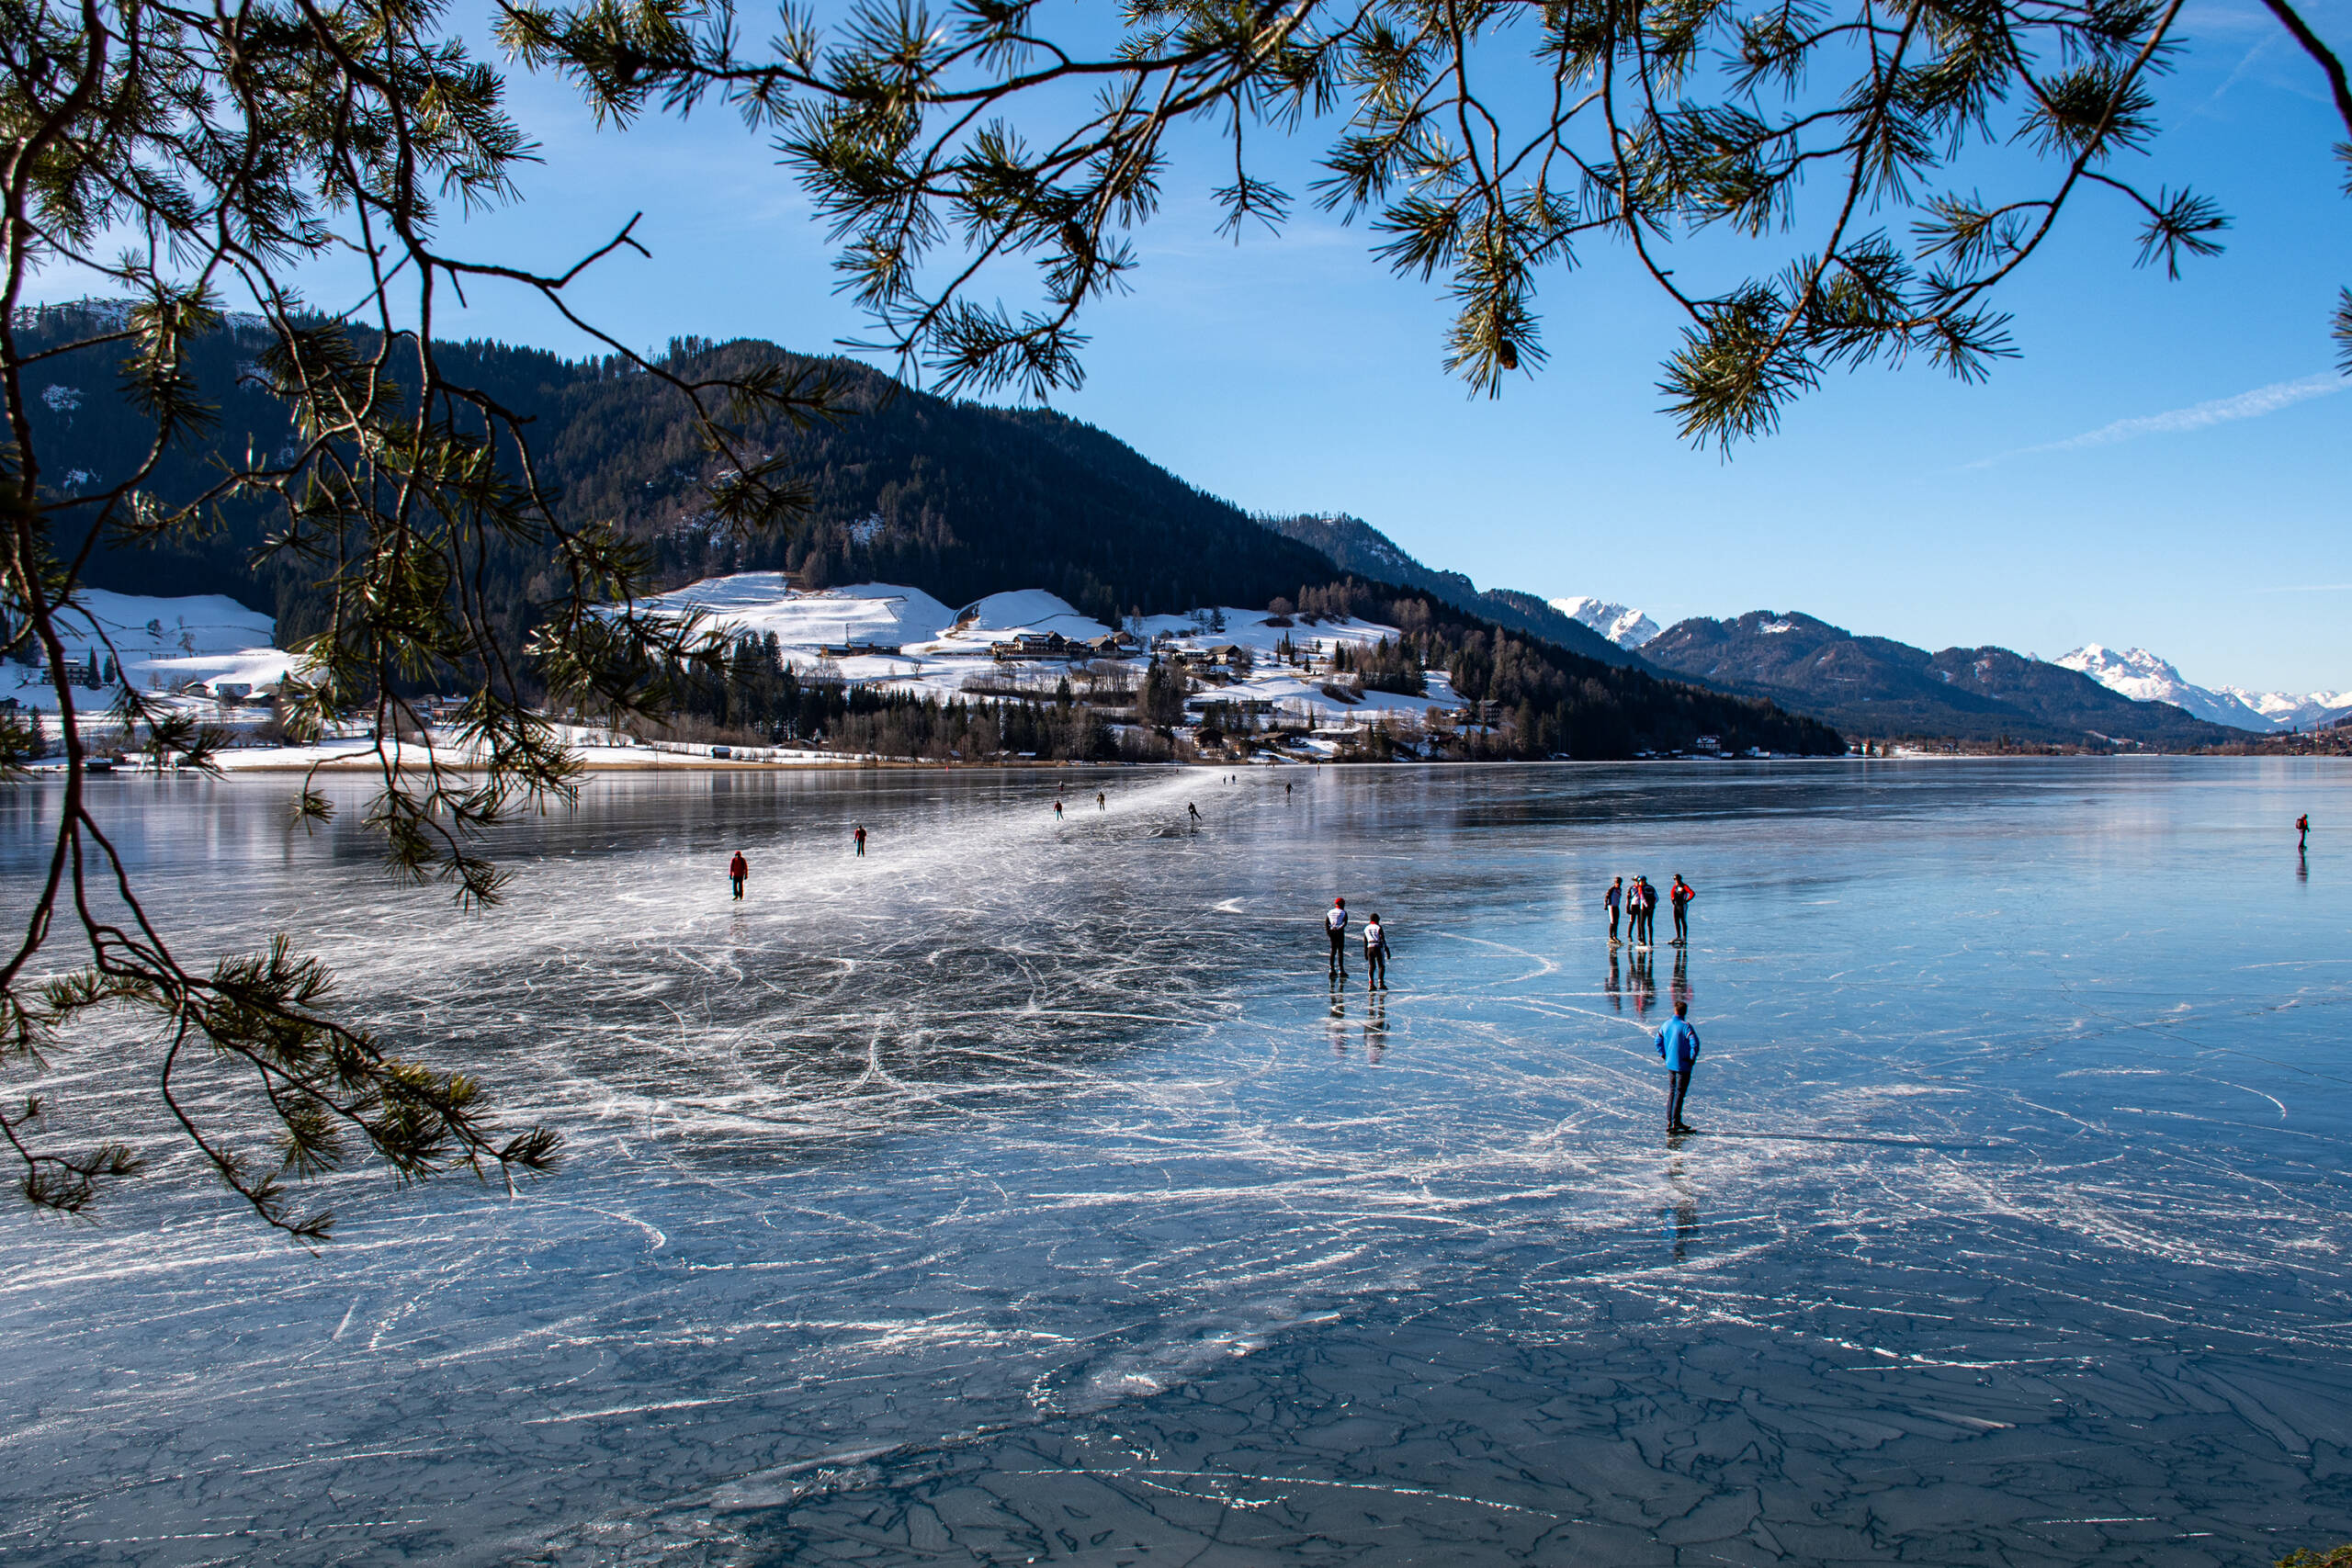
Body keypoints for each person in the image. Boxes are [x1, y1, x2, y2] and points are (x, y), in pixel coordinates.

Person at [1656, 999, 1702, 1134]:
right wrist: (1692, 1058)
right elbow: (1695, 1044)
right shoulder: (1686, 1026)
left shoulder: (1666, 1024)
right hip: (1683, 1065)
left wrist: (1664, 1055)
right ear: (1685, 1012)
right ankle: (1675, 1122)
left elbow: (1657, 1040)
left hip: (1670, 1064)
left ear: (1674, 1011)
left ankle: (1671, 1121)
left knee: (1672, 1092)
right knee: (1680, 1093)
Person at [1363, 911, 1389, 990]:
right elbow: (1382, 939)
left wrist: (1365, 952)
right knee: (1381, 966)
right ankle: (1381, 983)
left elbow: (1365, 941)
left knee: (1371, 966)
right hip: (1378, 946)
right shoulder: (1378, 927)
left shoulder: (1366, 928)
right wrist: (1387, 949)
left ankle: (1371, 984)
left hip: (1369, 947)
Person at [1326, 897, 1350, 979]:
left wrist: (1329, 932)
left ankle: (1331, 969)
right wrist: (1339, 929)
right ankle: (1341, 970)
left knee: (1333, 951)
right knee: (1340, 951)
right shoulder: (1343, 912)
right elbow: (1344, 923)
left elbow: (1327, 923)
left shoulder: (1330, 912)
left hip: (1332, 932)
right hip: (1339, 933)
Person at [1668, 874, 1696, 946]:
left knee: (1683, 920)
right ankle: (1678, 936)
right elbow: (1672, 893)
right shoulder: (1675, 887)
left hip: (1682, 905)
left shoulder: (1684, 886)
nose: (1676, 881)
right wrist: (1672, 899)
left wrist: (1687, 900)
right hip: (1676, 905)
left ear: (1680, 880)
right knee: (1676, 920)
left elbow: (1692, 893)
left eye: (1677, 880)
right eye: (1675, 880)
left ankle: (1684, 937)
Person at [1604, 876, 1624, 945]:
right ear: (1615, 883)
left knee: (1616, 922)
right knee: (1612, 921)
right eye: (1617, 883)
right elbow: (1606, 897)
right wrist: (1606, 905)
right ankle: (1610, 937)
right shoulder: (1612, 889)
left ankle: (1615, 936)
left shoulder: (1620, 889)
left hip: (1616, 907)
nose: (1618, 884)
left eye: (1619, 883)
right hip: (1611, 906)